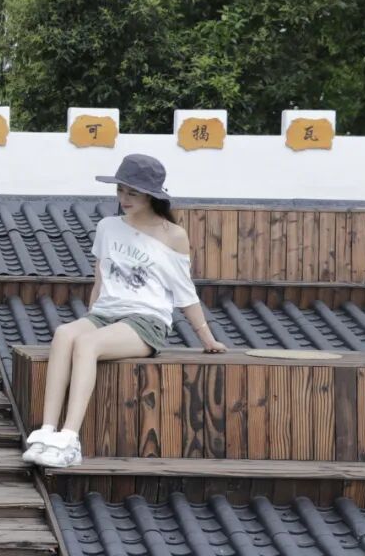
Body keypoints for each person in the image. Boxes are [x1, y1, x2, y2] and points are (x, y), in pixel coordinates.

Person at [22, 154, 227, 468]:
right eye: (120, 190)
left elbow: (185, 292)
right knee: (64, 334)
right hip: (105, 313)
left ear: (151, 195)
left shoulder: (172, 235)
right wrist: (90, 317)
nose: (124, 198)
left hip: (146, 320)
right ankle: (47, 432)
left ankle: (69, 439)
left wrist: (207, 338)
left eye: (133, 193)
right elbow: (100, 278)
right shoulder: (108, 227)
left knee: (87, 344)